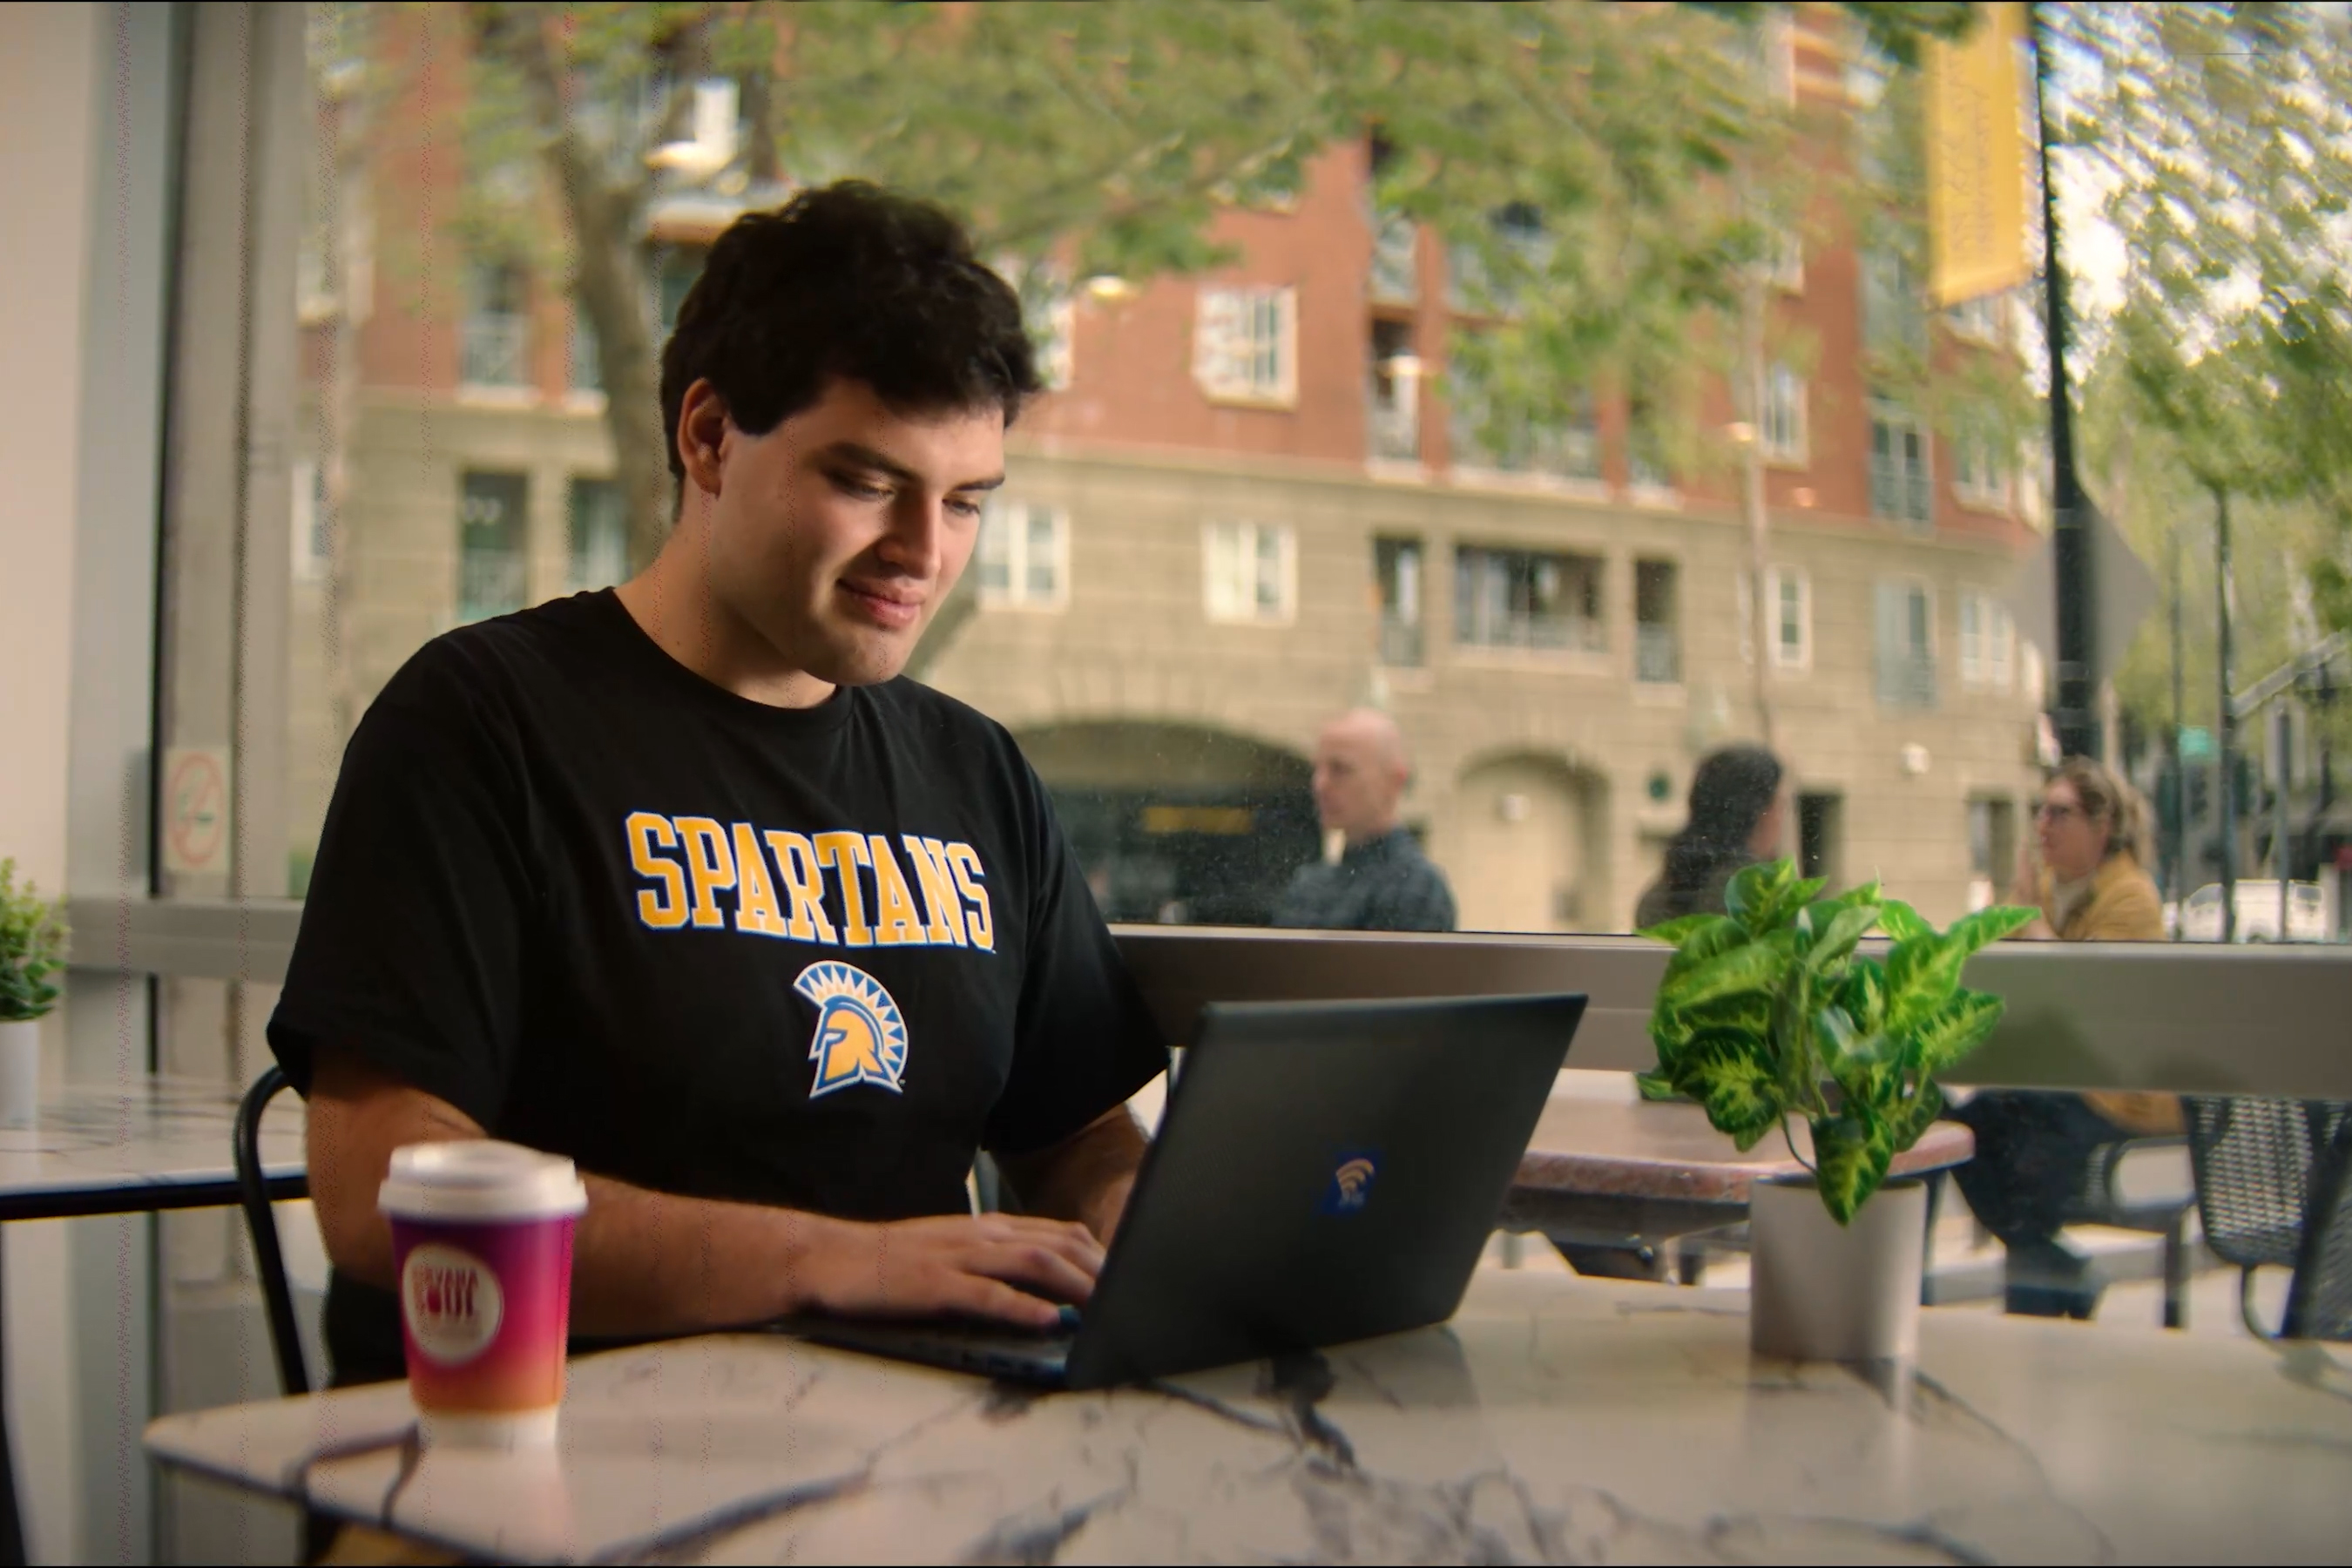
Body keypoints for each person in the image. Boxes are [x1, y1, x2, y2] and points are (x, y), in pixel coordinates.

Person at [272, 182, 1171, 1396]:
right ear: (708, 437)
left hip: (915, 1441)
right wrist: (836, 1263)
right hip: (549, 1434)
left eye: (965, 502)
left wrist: (1138, 1222)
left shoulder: (976, 771)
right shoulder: (483, 722)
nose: (924, 552)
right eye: (868, 482)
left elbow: (1076, 1136)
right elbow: (381, 1191)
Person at [1952, 755, 2170, 1320]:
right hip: (2060, 1079)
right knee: (1964, 1125)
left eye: (2059, 813)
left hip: (2120, 1091)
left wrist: (2030, 919)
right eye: (2039, 811)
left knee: (2026, 1157)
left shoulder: (2130, 896)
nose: (2042, 825)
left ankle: (2045, 1285)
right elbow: (1992, 961)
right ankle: (2057, 1268)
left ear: (2101, 825)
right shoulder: (2046, 888)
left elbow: (2082, 995)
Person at [1271, 707, 1456, 931]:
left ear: (1394, 781)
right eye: (1317, 769)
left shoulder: (1415, 887)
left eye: (1340, 769)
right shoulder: (1310, 883)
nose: (1320, 785)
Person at [1633, 745, 1788, 929]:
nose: (1781, 819)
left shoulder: (1659, 896)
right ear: (1762, 813)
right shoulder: (1766, 896)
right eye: (1780, 805)